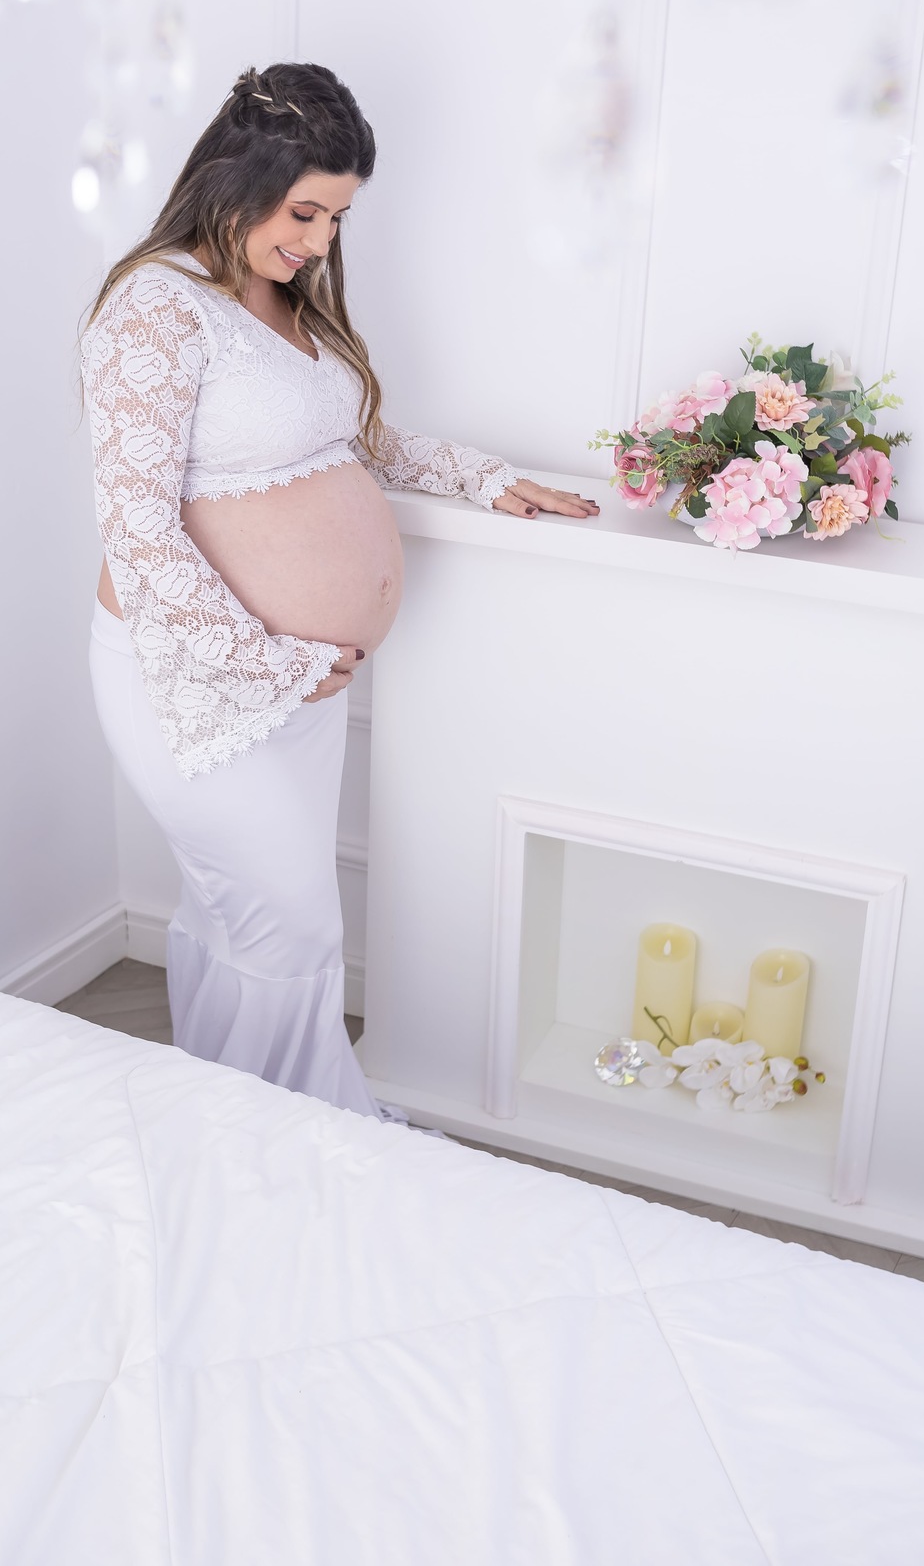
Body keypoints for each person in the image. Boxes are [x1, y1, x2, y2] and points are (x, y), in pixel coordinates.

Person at [82, 62, 598, 1119]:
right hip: (198, 678)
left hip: (300, 685)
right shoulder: (156, 308)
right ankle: (271, 1131)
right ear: (234, 178)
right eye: (304, 210)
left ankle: (237, 1122)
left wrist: (488, 478)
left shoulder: (278, 299)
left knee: (244, 918)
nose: (318, 240)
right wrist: (267, 660)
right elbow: (134, 525)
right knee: (293, 923)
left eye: (337, 218)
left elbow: (355, 441)